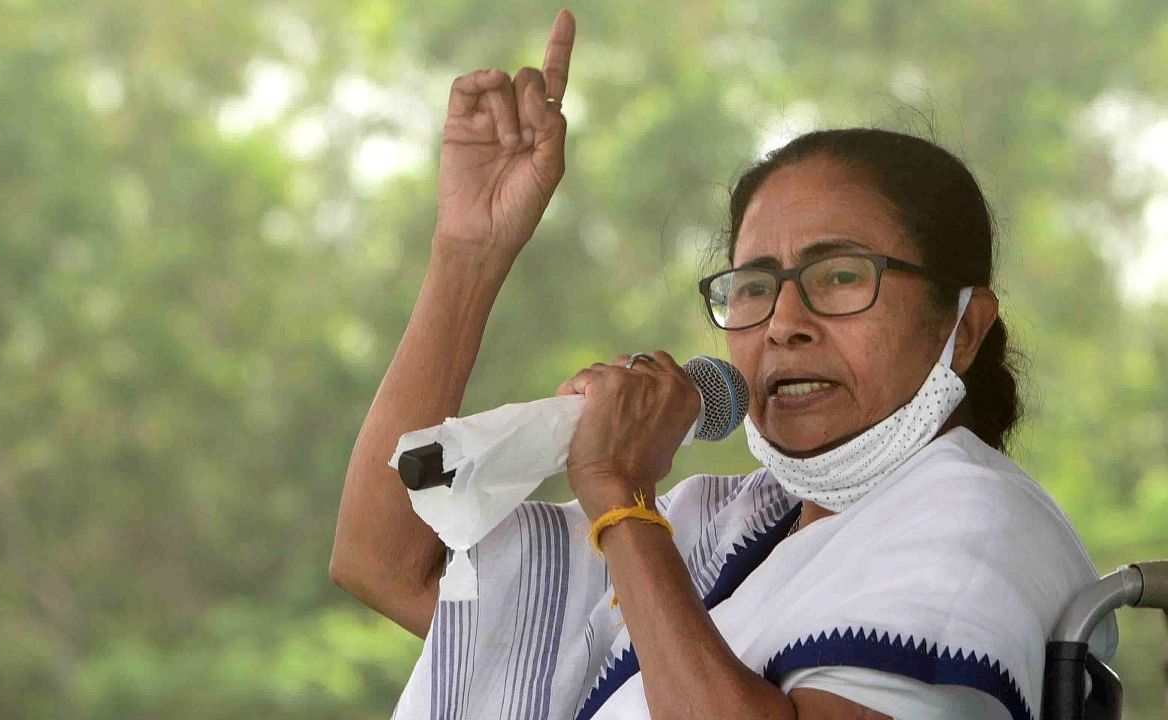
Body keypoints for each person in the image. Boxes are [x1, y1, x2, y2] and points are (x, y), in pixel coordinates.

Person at [330, 9, 1115, 719]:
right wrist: (470, 251)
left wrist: (620, 498)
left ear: (967, 327)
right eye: (753, 288)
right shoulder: (725, 520)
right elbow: (386, 562)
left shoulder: (973, 523)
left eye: (840, 276)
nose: (784, 324)